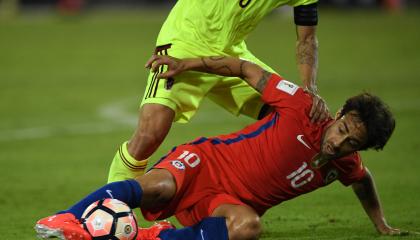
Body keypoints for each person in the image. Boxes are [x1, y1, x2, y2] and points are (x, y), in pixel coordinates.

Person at [35, 55, 405, 240]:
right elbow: (244, 69)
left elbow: (362, 180)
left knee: (248, 227)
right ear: (339, 113)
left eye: (351, 142)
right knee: (157, 187)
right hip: (206, 163)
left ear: (361, 147)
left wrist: (381, 225)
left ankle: (155, 236)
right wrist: (187, 63)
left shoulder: (344, 165)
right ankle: (66, 217)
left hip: (225, 204)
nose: (338, 140)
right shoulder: (303, 108)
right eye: (341, 128)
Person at [107, 0, 330, 183]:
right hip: (184, 43)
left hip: (231, 55)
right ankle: (109, 206)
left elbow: (307, 38)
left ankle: (244, 194)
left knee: (297, 114)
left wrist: (310, 88)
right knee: (149, 135)